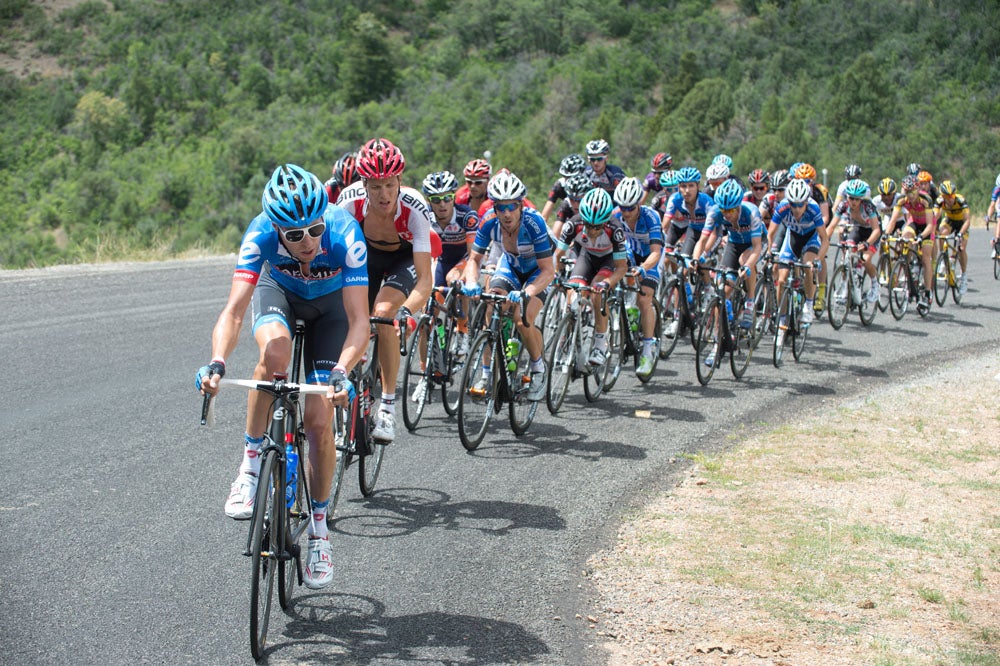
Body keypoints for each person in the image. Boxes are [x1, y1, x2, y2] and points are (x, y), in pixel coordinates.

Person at [195, 163, 370, 589]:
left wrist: (342, 372)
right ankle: (251, 467)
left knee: (318, 420)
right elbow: (235, 310)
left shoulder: (345, 233)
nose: (307, 242)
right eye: (294, 236)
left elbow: (359, 320)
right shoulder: (259, 233)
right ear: (277, 229)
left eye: (313, 230)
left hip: (332, 312)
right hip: (282, 297)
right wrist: (217, 361)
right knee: (274, 353)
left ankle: (319, 532)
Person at [336, 138, 434, 443]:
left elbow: (426, 280)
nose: (384, 194)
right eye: (376, 186)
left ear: (400, 181)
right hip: (365, 256)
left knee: (383, 314)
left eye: (390, 185)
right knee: (349, 316)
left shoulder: (415, 208)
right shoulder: (348, 204)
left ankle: (388, 408)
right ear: (364, 183)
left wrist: (406, 312)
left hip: (403, 259)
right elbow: (334, 260)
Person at [462, 170, 554, 401]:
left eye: (511, 206)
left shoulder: (534, 223)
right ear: (494, 207)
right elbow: (474, 259)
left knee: (522, 318)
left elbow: (548, 270)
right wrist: (472, 282)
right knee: (491, 305)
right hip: (511, 267)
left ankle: (538, 368)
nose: (506, 213)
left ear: (520, 204)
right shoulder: (489, 222)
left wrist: (527, 292)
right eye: (500, 207)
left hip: (536, 273)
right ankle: (486, 374)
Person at [412, 171, 478, 400]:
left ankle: (463, 330)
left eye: (447, 197)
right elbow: (423, 254)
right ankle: (425, 374)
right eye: (436, 199)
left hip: (462, 259)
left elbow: (473, 256)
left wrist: (465, 275)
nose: (442, 204)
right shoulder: (424, 217)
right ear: (429, 200)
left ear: (454, 197)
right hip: (438, 260)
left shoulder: (466, 216)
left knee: (455, 280)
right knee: (425, 315)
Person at [552, 187, 629, 367]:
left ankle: (600, 343)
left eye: (597, 227)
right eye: (588, 225)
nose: (592, 230)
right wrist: (557, 275)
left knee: (597, 291)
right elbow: (558, 255)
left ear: (605, 222)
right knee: (573, 292)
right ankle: (570, 334)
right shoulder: (573, 224)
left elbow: (622, 267)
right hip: (586, 256)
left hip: (607, 260)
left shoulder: (615, 229)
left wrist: (607, 283)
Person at [693, 179, 765, 366]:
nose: (728, 214)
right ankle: (718, 345)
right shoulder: (716, 212)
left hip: (754, 243)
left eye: (731, 210)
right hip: (734, 243)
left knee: (744, 262)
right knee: (722, 292)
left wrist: (749, 266)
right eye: (724, 211)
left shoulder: (752, 213)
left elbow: (757, 248)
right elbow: (702, 240)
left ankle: (749, 302)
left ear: (738, 205)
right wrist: (696, 258)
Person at [613, 177, 665, 377]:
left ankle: (647, 349)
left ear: (639, 204)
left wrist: (643, 269)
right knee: (620, 274)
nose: (626, 213)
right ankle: (628, 311)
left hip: (651, 256)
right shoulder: (616, 215)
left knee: (644, 299)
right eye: (623, 208)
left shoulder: (650, 217)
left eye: (631, 208)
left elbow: (655, 252)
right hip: (631, 252)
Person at [770, 178, 828, 328]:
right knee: (781, 281)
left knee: (807, 266)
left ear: (806, 203)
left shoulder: (814, 209)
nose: (796, 209)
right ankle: (782, 321)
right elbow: (770, 234)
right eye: (793, 205)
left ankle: (808, 306)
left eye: (800, 205)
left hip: (810, 238)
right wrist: (771, 253)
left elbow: (825, 239)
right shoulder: (783, 207)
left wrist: (818, 260)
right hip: (793, 238)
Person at [886, 175, 935, 313]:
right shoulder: (901, 199)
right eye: (907, 192)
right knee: (905, 238)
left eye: (912, 192)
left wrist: (921, 237)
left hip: (927, 227)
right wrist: (886, 235)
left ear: (918, 189)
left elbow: (931, 225)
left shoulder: (926, 200)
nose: (910, 195)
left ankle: (927, 293)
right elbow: (892, 221)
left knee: (926, 258)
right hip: (914, 222)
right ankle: (908, 268)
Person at [829, 179, 882, 303]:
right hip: (858, 229)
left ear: (861, 199)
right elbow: (831, 226)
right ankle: (847, 286)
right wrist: (823, 240)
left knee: (865, 259)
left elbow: (876, 230)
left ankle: (875, 285)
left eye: (856, 199)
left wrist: (867, 243)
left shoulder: (868, 207)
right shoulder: (843, 205)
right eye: (851, 198)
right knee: (848, 249)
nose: (853, 202)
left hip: (872, 232)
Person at [935, 179, 970, 295]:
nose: (950, 198)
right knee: (941, 234)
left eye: (952, 195)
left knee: (961, 249)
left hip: (962, 224)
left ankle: (964, 276)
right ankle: (943, 259)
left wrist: (960, 234)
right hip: (950, 220)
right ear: (942, 196)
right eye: (947, 196)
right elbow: (935, 216)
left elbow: (967, 221)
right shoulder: (940, 201)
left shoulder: (960, 200)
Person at [540, 154, 587, 223]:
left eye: (571, 177)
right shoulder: (559, 185)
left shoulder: (590, 186)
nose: (568, 181)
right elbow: (544, 216)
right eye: (565, 177)